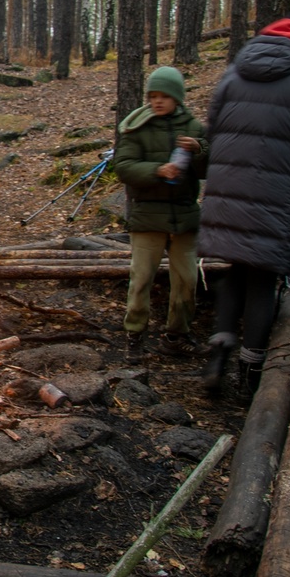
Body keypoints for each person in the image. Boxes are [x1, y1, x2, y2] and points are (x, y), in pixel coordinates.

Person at [198, 2, 290, 395]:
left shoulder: (233, 74)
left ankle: (219, 350)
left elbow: (212, 129)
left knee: (234, 269)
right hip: (276, 192)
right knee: (262, 276)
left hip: (228, 187)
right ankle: (250, 370)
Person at [114, 67, 209, 364]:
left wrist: (199, 151)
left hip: (184, 217)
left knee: (186, 280)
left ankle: (176, 336)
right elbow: (124, 167)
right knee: (141, 278)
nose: (157, 101)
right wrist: (157, 170)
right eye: (153, 96)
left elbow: (208, 169)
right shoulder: (137, 128)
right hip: (147, 217)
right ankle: (134, 335)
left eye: (163, 96)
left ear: (176, 97)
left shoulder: (194, 128)